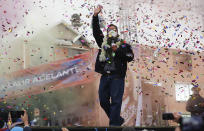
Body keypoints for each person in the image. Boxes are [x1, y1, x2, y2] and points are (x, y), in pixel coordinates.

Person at [92, 5, 134, 126]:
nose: (111, 30)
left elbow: (130, 57)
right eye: (109, 29)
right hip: (105, 76)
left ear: (117, 32)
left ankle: (114, 126)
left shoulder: (124, 45)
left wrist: (117, 50)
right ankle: (117, 120)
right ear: (107, 32)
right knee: (103, 101)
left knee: (116, 101)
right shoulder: (103, 42)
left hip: (117, 77)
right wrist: (95, 16)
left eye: (113, 29)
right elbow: (96, 31)